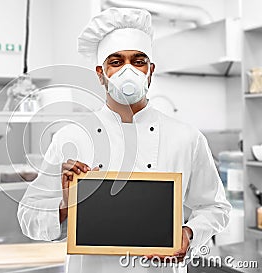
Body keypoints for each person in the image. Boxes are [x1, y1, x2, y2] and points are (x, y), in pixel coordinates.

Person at [17, 7, 231, 273]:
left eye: (138, 61)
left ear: (150, 71)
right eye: (116, 62)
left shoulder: (187, 138)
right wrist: (65, 205)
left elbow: (216, 207)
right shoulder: (71, 137)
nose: (128, 71)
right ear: (100, 73)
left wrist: (189, 233)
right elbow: (28, 218)